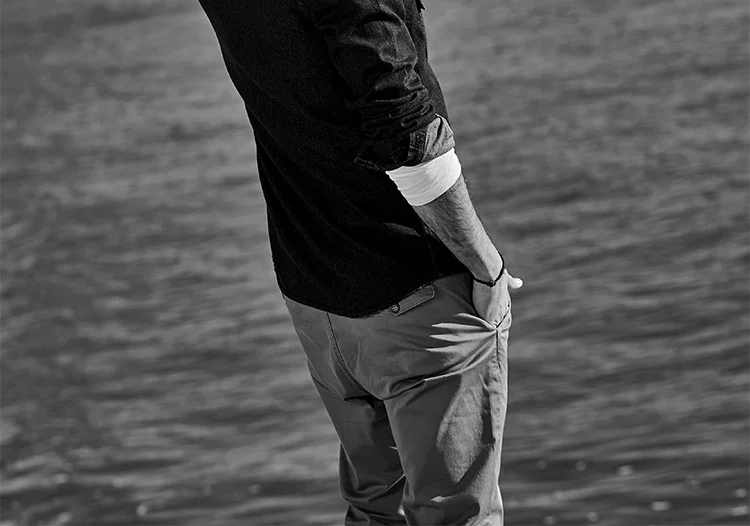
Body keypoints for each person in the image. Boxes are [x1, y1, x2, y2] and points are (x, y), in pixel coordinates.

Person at [197, 1, 523, 524]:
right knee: (456, 517)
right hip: (414, 292)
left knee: (376, 511)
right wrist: (488, 266)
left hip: (316, 292)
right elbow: (405, 130)